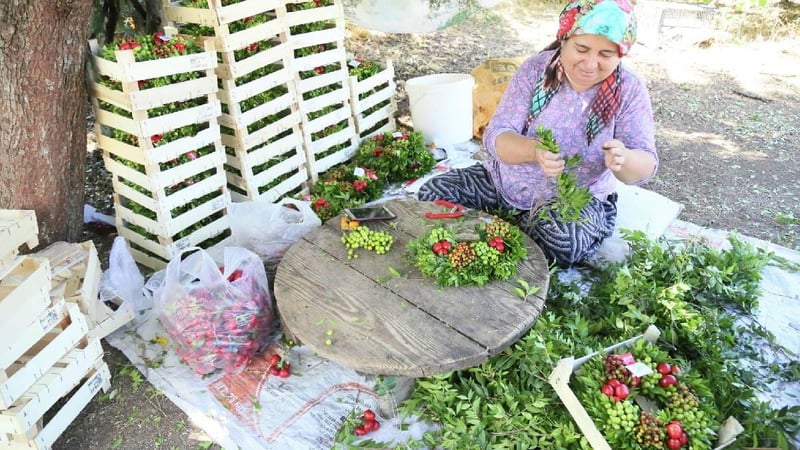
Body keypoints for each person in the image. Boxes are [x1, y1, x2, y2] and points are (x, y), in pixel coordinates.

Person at [417, 0, 658, 266]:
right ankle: (519, 227)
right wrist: (533, 150)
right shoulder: (536, 70)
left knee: (561, 240)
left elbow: (645, 165)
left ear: (620, 54)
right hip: (504, 185)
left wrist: (624, 160)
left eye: (606, 55)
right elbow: (496, 135)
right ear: (564, 40)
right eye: (582, 48)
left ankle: (514, 230)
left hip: (575, 199)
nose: (591, 63)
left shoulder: (629, 89)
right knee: (432, 193)